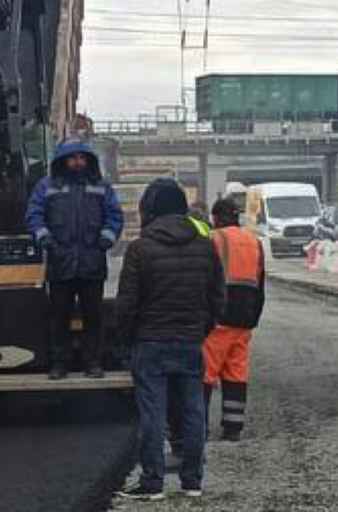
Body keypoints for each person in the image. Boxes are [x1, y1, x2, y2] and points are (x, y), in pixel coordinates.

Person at [115, 178, 224, 501]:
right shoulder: (205, 246)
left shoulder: (139, 249)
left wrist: (126, 341)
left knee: (152, 415)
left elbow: (126, 305)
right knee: (192, 413)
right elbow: (218, 298)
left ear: (149, 210)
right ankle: (192, 482)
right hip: (189, 341)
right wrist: (201, 328)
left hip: (149, 343)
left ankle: (152, 483)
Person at [25, 137, 124, 379]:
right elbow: (33, 216)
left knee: (94, 316)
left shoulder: (101, 186)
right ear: (62, 160)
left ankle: (93, 362)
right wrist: (45, 239)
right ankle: (60, 363)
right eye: (72, 157)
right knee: (60, 317)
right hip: (61, 264)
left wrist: (106, 239)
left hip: (92, 262)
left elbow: (115, 216)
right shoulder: (46, 186)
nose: (78, 162)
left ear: (88, 160)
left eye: (81, 157)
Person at [204, 195, 267, 441]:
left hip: (220, 316)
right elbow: (260, 285)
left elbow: (206, 279)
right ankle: (233, 428)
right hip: (245, 318)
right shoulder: (255, 242)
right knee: (235, 372)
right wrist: (254, 318)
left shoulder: (214, 239)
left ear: (216, 218)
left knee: (205, 372)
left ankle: (200, 427)